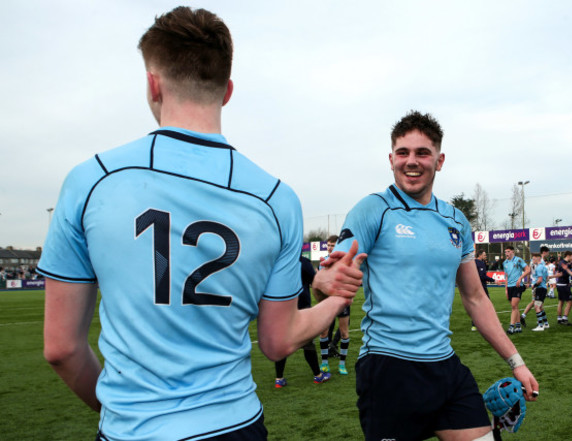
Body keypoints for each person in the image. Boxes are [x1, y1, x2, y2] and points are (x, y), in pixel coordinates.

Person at [37, 8, 364, 441]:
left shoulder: (91, 181)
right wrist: (334, 298)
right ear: (227, 91)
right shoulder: (274, 199)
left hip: (131, 429)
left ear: (153, 84)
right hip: (235, 426)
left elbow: (61, 349)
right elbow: (278, 340)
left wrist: (124, 408)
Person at [326, 111, 538, 441]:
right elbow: (342, 264)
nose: (412, 161)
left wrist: (516, 362)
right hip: (388, 369)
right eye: (403, 153)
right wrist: (330, 277)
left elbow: (475, 297)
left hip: (445, 367)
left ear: (439, 161)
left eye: (422, 153)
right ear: (391, 159)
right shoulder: (372, 209)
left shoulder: (455, 220)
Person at [274, 256, 332, 388]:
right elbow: (315, 282)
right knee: (307, 343)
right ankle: (318, 376)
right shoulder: (302, 262)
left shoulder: (277, 260)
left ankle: (279, 379)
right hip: (300, 307)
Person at [319, 234, 352, 375]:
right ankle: (325, 363)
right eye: (328, 245)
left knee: (344, 332)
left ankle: (342, 364)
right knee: (323, 332)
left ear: (338, 246)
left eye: (332, 245)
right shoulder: (324, 262)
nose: (330, 248)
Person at [503, 245, 530, 334]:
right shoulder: (505, 263)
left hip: (517, 286)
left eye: (508, 251)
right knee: (515, 307)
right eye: (505, 252)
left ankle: (511, 327)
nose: (506, 253)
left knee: (514, 306)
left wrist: (520, 278)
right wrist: (506, 289)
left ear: (513, 252)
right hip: (510, 287)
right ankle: (518, 326)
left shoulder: (518, 260)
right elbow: (506, 277)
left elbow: (528, 270)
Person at [520, 246, 549, 327]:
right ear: (544, 252)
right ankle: (541, 323)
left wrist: (528, 281)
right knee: (537, 304)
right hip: (538, 284)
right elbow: (543, 275)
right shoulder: (541, 262)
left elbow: (529, 271)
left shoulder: (532, 261)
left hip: (535, 283)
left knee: (537, 303)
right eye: (547, 252)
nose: (548, 254)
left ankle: (545, 323)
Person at [471, 250, 495, 331]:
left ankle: (475, 324)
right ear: (480, 255)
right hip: (481, 287)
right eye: (484, 255)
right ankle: (488, 323)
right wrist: (493, 280)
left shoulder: (473, 262)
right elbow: (482, 276)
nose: (486, 256)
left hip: (474, 287)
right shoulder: (480, 263)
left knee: (476, 305)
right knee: (487, 305)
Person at [529, 253, 550, 331]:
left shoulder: (538, 268)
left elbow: (540, 280)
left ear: (538, 259)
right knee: (540, 307)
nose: (532, 260)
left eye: (534, 259)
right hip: (544, 288)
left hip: (540, 288)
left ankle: (540, 326)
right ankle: (546, 323)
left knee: (537, 307)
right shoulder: (544, 267)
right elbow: (547, 278)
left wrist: (534, 285)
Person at [554, 251, 572, 325]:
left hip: (560, 284)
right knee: (569, 302)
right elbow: (565, 273)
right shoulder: (564, 264)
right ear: (568, 255)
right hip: (564, 284)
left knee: (561, 302)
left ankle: (559, 318)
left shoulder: (561, 262)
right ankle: (564, 318)